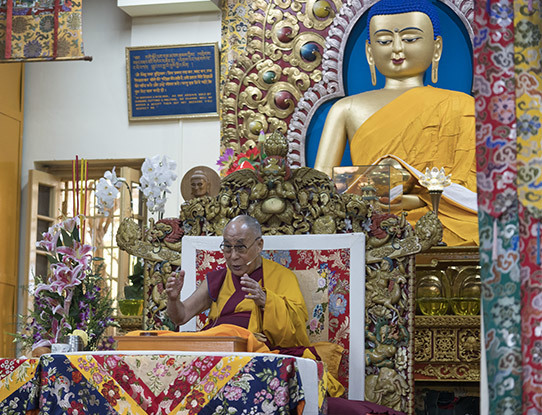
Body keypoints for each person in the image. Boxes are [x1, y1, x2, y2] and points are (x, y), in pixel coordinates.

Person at [313, 0, 478, 246]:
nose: (397, 49)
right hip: (368, 222)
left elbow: (472, 187)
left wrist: (415, 198)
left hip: (441, 221)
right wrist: (385, 185)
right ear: (369, 52)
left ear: (436, 48)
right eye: (384, 41)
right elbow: (318, 188)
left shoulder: (462, 106)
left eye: (411, 39)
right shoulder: (346, 109)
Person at [166, 215, 310, 349]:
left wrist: (266, 301)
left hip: (258, 352)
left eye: (240, 247)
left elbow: (296, 330)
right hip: (219, 349)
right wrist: (173, 299)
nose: (233, 256)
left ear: (259, 245)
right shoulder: (219, 279)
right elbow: (181, 316)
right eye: (228, 247)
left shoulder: (282, 277)